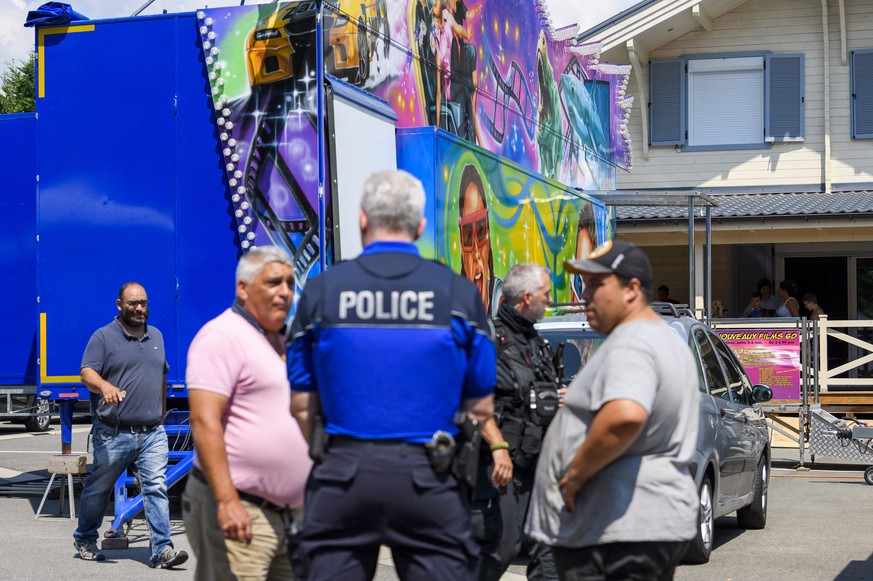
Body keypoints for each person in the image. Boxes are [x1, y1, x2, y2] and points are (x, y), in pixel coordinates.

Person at [287, 169, 496, 580]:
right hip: (430, 476)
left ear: (363, 219)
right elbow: (480, 405)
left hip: (342, 473)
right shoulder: (458, 295)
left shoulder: (321, 293)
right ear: (419, 226)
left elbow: (300, 406)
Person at [525, 240, 700, 580]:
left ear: (632, 289)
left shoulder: (632, 341)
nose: (584, 295)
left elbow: (625, 415)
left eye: (596, 285)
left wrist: (575, 475)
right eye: (584, 285)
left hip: (616, 531)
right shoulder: (664, 339)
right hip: (639, 527)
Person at [183, 246, 312, 580]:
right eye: (273, 283)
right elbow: (204, 421)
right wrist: (227, 502)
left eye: (289, 283)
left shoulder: (281, 341)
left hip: (288, 515)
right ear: (243, 288)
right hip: (242, 510)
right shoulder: (222, 336)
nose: (285, 292)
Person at [73, 283, 188, 568]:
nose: (140, 308)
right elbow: (87, 372)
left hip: (151, 433)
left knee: (156, 488)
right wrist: (104, 386)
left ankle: (162, 550)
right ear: (119, 305)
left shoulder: (156, 336)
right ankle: (85, 538)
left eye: (144, 303)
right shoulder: (103, 337)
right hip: (113, 433)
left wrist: (160, 411)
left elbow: (161, 375)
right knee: (98, 490)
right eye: (133, 303)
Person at [476, 263, 560, 581]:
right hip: (501, 467)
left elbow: (535, 394)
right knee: (503, 548)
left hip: (540, 462)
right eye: (545, 295)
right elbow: (471, 400)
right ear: (527, 297)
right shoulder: (489, 340)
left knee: (549, 552)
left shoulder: (538, 344)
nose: (549, 301)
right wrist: (497, 446)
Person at [458, 163, 500, 313]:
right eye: (468, 236)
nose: (476, 254)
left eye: (481, 231)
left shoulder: (502, 300)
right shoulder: (455, 308)